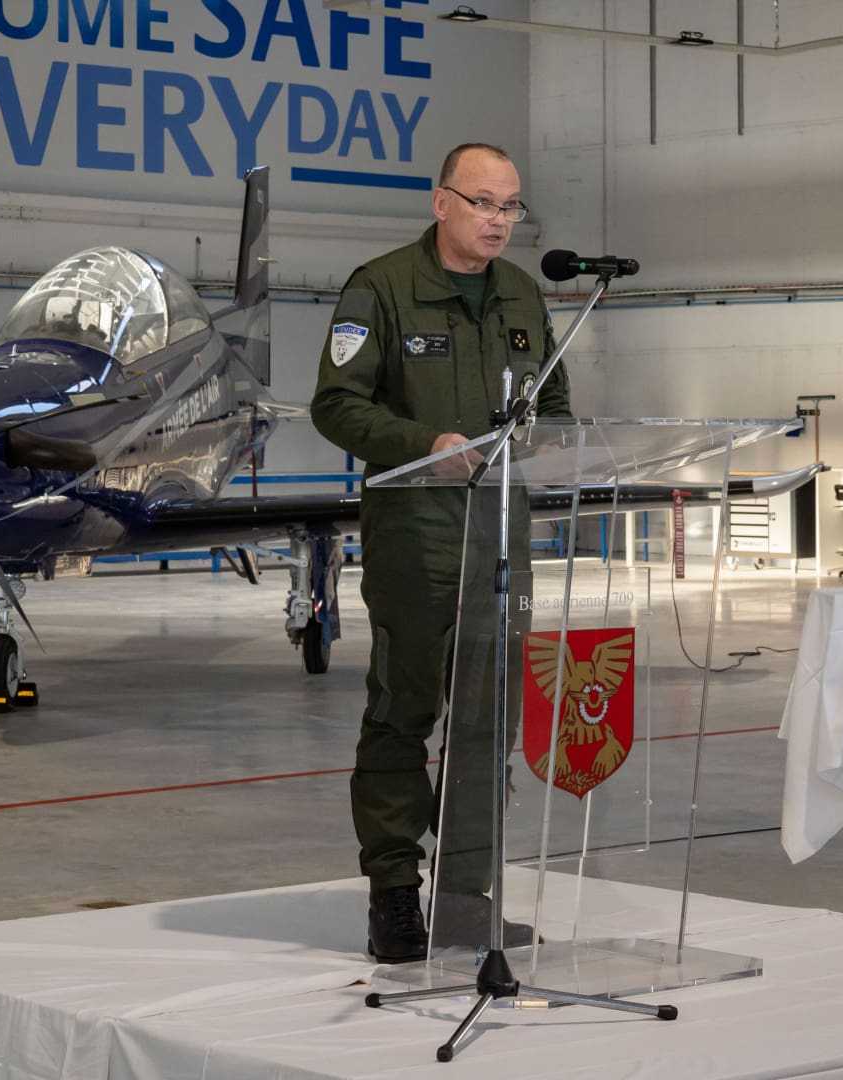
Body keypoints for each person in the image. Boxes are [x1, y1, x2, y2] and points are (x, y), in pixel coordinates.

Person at [311, 143, 572, 962]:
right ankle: (393, 893)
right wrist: (425, 444)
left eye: (510, 206)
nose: (499, 220)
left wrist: (545, 441)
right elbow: (336, 405)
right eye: (483, 202)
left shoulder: (522, 293)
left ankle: (464, 898)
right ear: (441, 203)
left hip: (502, 536)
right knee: (404, 712)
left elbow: (557, 404)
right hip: (416, 538)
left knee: (490, 722)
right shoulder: (381, 288)